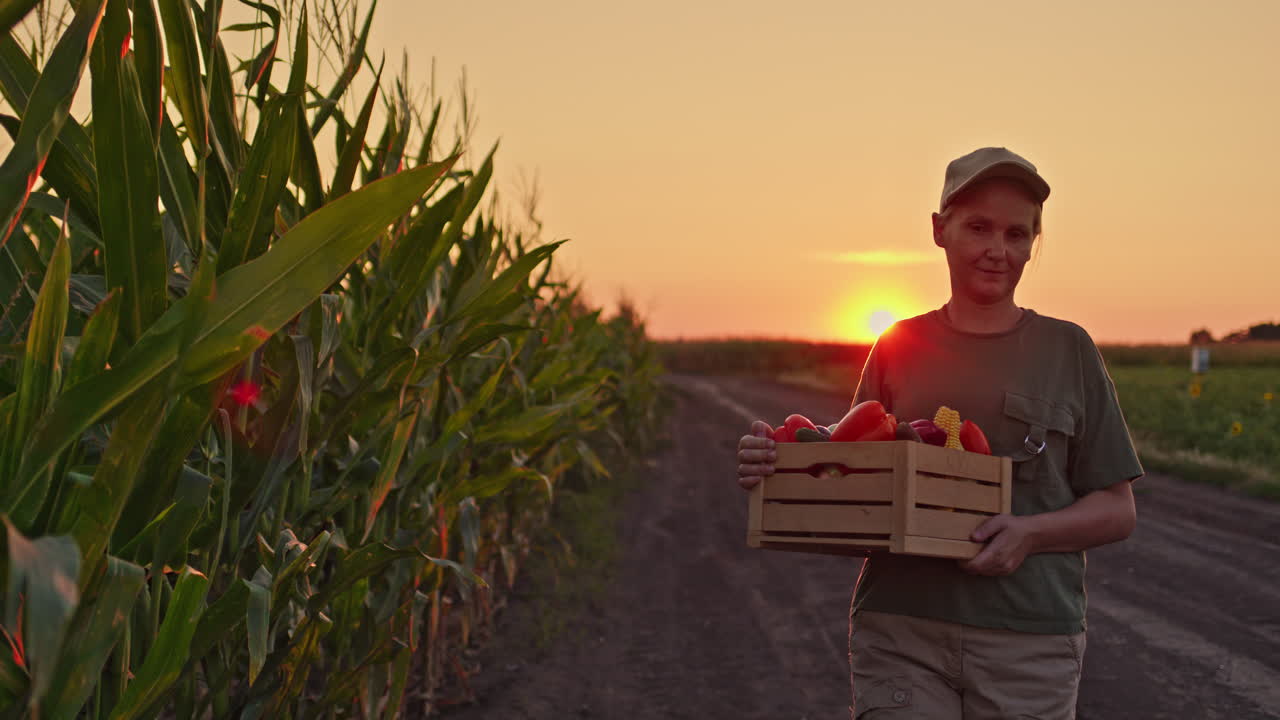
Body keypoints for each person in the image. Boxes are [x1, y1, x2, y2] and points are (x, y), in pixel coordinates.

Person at [735, 147, 1143, 720]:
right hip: (902, 632)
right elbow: (851, 482)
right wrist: (776, 465)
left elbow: (1117, 509)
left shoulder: (1068, 350)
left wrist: (1029, 533)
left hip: (1028, 641)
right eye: (978, 227)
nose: (998, 250)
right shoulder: (897, 345)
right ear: (939, 229)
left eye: (1017, 234)